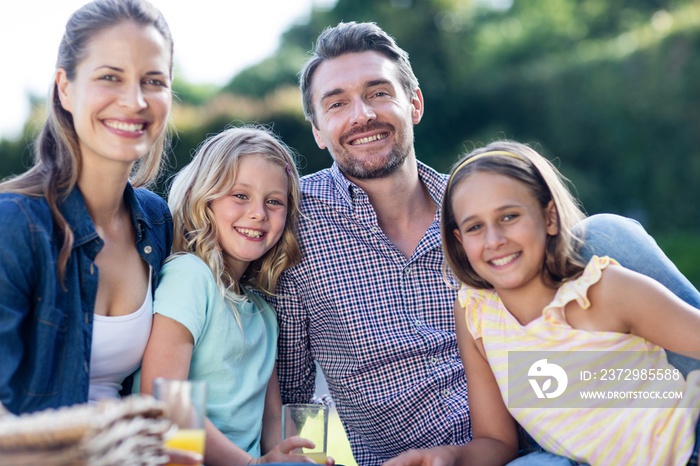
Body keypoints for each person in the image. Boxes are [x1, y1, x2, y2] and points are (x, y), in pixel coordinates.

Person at [271, 21, 700, 465]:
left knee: (606, 233)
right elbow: (290, 386)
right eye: (337, 103)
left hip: (550, 428)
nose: (362, 114)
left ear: (414, 103)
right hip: (435, 458)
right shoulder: (292, 224)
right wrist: (297, 453)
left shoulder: (476, 214)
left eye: (379, 92)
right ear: (319, 131)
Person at [390, 141, 700, 465]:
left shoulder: (602, 290)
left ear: (549, 217)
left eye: (509, 216)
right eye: (475, 227)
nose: (494, 240)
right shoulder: (477, 316)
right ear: (459, 240)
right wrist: (449, 457)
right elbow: (496, 440)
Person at [0, 0, 174, 414]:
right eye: (110, 77)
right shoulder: (14, 226)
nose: (134, 101)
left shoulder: (156, 220)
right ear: (65, 87)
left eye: (153, 81)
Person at [139, 126, 330, 466]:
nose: (258, 212)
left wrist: (295, 459)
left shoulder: (263, 312)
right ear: (205, 199)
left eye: (274, 201)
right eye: (240, 196)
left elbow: (272, 422)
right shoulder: (189, 276)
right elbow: (165, 404)